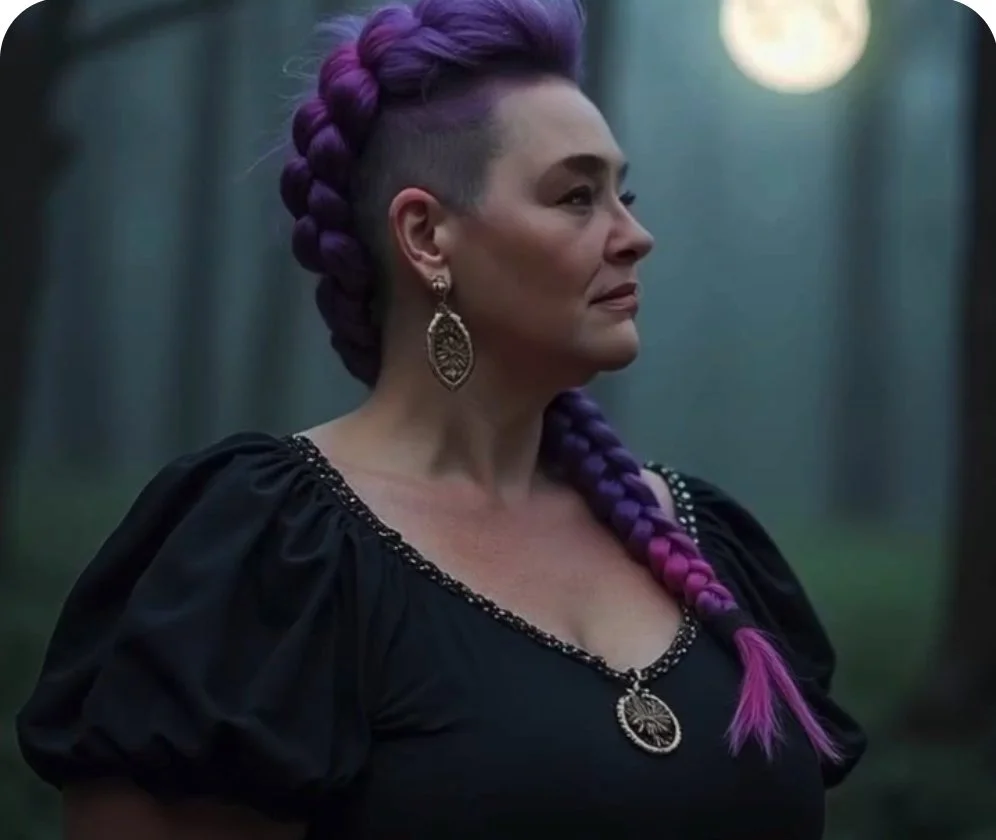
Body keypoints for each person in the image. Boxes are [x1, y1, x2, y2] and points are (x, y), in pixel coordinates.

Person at [16, 0, 866, 837]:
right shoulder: (269, 555)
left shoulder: (709, 542)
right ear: (426, 235)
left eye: (624, 193)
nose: (635, 235)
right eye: (577, 197)